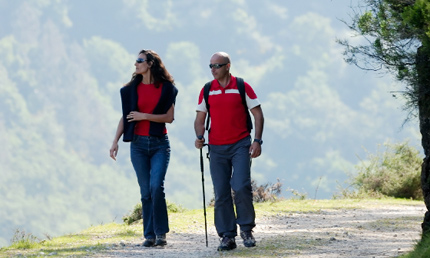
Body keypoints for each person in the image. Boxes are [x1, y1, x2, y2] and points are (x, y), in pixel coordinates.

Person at [194, 52, 264, 251]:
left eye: (217, 65)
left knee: (241, 186)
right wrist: (200, 137)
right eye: (210, 66)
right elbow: (200, 119)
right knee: (222, 192)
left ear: (228, 66)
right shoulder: (207, 89)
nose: (213, 69)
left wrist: (257, 141)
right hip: (216, 148)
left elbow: (258, 115)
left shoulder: (242, 86)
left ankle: (246, 229)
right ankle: (227, 236)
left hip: (241, 144)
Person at [110, 49, 178, 247]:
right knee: (145, 191)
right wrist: (115, 141)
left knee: (156, 187)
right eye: (136, 61)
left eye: (139, 60)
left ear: (150, 63)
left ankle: (161, 233)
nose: (136, 64)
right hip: (138, 145)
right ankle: (149, 235)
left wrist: (144, 116)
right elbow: (126, 116)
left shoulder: (166, 89)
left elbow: (169, 118)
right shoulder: (130, 89)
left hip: (159, 144)